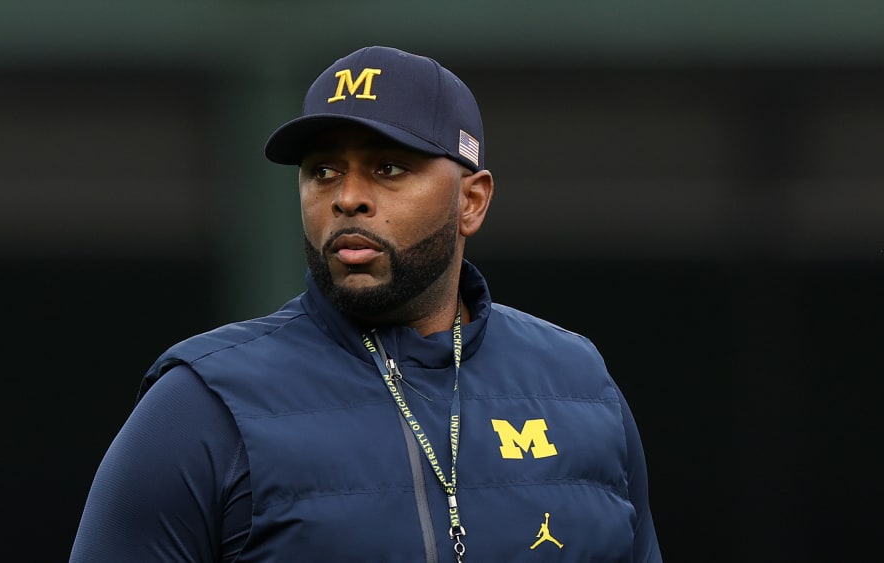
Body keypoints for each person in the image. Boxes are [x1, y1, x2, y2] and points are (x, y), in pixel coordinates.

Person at [70, 45, 662, 562]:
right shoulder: (202, 405)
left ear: (471, 202)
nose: (348, 198)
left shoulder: (580, 386)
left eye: (387, 168)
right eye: (323, 171)